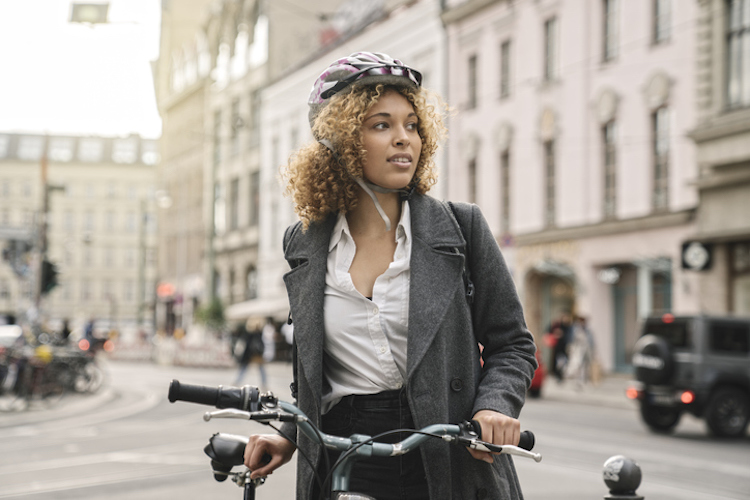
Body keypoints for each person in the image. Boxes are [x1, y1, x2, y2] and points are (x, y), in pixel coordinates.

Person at [243, 51, 537, 499]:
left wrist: (494, 406)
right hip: (342, 455)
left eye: (412, 125)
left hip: (446, 445)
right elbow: (311, 373)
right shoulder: (303, 243)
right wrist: (289, 431)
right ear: (337, 141)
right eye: (382, 125)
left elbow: (512, 344)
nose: (404, 139)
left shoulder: (461, 228)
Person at [233, 317, 268, 389]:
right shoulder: (257, 334)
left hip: (249, 354)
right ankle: (264, 383)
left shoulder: (248, 334)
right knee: (260, 369)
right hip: (255, 354)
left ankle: (237, 382)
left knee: (245, 368)